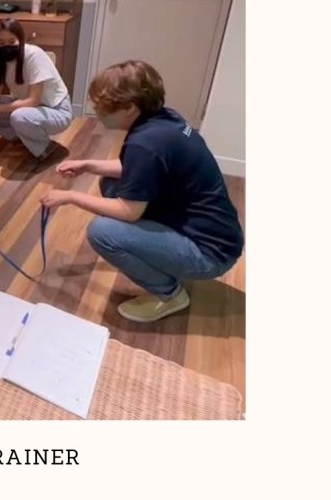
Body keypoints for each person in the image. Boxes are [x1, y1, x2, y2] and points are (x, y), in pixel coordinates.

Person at [40, 60, 244, 322]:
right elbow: (137, 169)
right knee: (110, 184)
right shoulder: (165, 121)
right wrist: (88, 165)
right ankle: (163, 255)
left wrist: (70, 197)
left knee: (102, 232)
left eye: (102, 106)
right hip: (217, 234)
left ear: (130, 108)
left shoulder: (146, 142)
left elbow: (128, 212)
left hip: (211, 254)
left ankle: (169, 294)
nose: (96, 111)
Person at [0, 18, 72, 161]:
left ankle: (44, 148)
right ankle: (20, 138)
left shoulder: (34, 55)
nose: (7, 47)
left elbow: (34, 101)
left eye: (12, 41)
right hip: (24, 104)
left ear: (20, 39)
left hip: (55, 109)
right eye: (1, 43)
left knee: (19, 116)